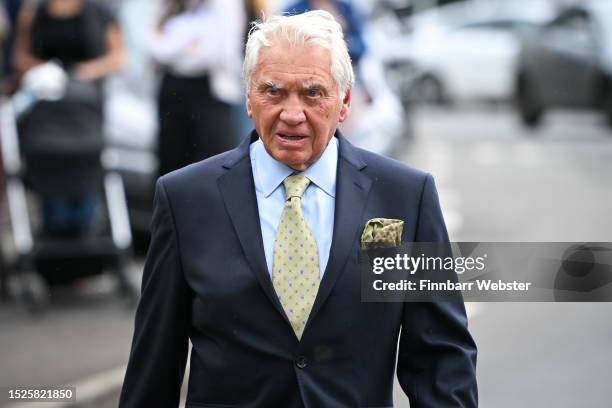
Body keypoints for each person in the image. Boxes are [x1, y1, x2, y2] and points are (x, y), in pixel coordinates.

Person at [120, 10, 477, 407]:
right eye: (273, 91)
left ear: (343, 102)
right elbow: (155, 365)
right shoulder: (185, 198)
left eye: (312, 93)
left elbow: (441, 360)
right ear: (248, 98)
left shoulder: (406, 197)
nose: (292, 114)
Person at [13, 0, 124, 234]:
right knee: (51, 181)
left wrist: (84, 72)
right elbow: (21, 58)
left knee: (83, 178)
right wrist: (48, 72)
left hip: (85, 112)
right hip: (46, 114)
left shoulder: (99, 12)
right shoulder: (34, 12)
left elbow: (117, 57)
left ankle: (83, 235)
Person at [147, 0, 245, 177]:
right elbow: (153, 47)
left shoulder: (225, 5)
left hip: (211, 93)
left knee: (211, 163)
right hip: (172, 90)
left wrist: (174, 48)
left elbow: (215, 52)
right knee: (170, 160)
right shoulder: (169, 5)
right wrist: (184, 47)